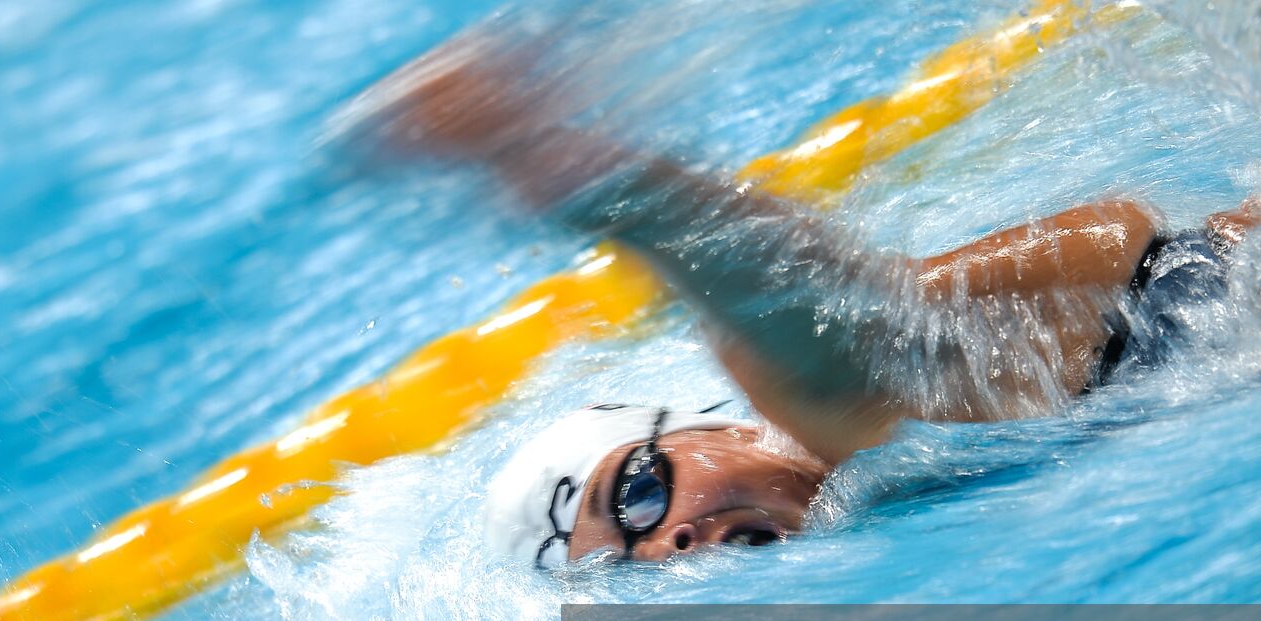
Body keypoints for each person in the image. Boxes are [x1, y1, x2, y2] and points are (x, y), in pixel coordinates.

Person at [362, 38, 1259, 568]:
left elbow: (811, 315)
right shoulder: (881, 486)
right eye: (631, 573)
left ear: (696, 430)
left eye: (636, 495)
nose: (671, 542)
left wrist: (574, 175)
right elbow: (1111, 234)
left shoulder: (814, 404)